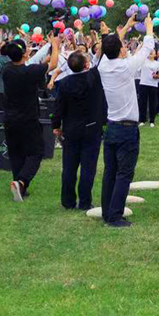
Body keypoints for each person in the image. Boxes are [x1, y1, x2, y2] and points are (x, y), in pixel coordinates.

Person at [96, 14, 154, 227]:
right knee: (124, 174)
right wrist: (149, 27)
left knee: (110, 173)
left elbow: (109, 46)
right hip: (127, 129)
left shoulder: (103, 66)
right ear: (121, 50)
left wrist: (127, 26)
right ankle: (114, 216)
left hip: (112, 127)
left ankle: (107, 212)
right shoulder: (125, 67)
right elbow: (147, 49)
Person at [1, 31, 61, 202]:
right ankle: (22, 181)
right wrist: (54, 44)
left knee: (16, 152)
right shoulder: (30, 71)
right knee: (36, 152)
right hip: (27, 118)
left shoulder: (7, 70)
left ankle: (19, 186)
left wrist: (43, 61)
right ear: (25, 54)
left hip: (10, 118)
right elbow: (54, 63)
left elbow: (35, 68)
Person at [53, 50, 105, 212]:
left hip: (71, 129)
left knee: (69, 167)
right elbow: (103, 55)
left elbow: (59, 106)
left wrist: (56, 125)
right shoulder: (93, 78)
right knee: (88, 168)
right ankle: (84, 202)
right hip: (91, 128)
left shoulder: (65, 83)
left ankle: (68, 201)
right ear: (86, 65)